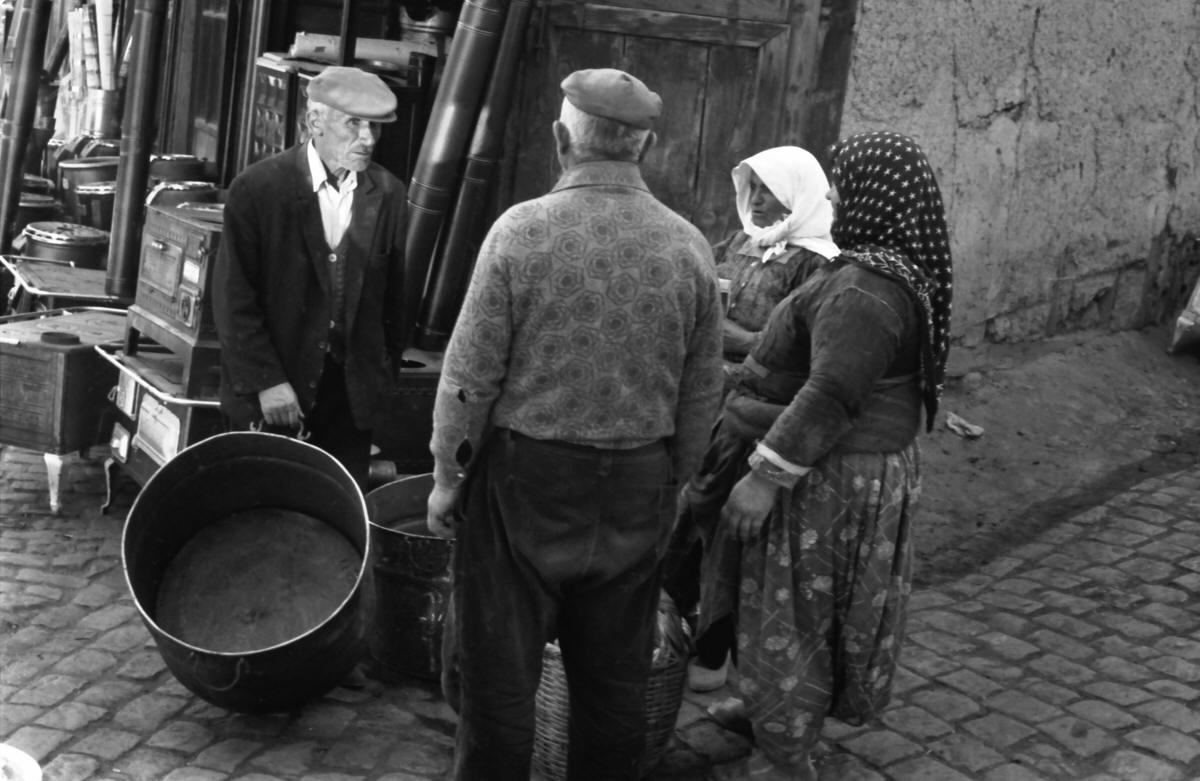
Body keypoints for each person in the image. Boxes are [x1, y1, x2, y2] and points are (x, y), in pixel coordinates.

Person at [426, 68, 724, 780]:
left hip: (524, 488)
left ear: (562, 139)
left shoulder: (519, 232)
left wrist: (446, 476)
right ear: (645, 147)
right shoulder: (688, 248)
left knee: (499, 685)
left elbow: (469, 377)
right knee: (614, 689)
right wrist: (674, 482)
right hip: (637, 488)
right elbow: (701, 393)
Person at [696, 130, 953, 779]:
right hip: (842, 466)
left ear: (877, 197)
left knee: (793, 610)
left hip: (826, 476)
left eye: (844, 187)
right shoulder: (881, 274)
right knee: (786, 602)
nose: (834, 198)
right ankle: (768, 711)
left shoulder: (865, 289)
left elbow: (832, 392)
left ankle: (783, 754)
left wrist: (763, 477)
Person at [664, 145, 839, 695]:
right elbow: (698, 303)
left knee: (728, 528)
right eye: (753, 189)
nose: (757, 201)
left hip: (760, 415)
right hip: (707, 401)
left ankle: (715, 648)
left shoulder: (819, 264)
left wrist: (731, 337)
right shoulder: (739, 243)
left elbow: (793, 346)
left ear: (798, 195)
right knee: (687, 512)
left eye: (771, 191)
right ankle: (674, 628)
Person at [213, 66, 408, 490]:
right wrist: (266, 382)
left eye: (375, 126)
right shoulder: (258, 188)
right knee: (265, 509)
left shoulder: (389, 193)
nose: (368, 139)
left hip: (349, 401)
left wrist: (379, 383)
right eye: (354, 124)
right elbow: (233, 299)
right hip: (275, 395)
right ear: (315, 121)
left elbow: (394, 302)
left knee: (337, 512)